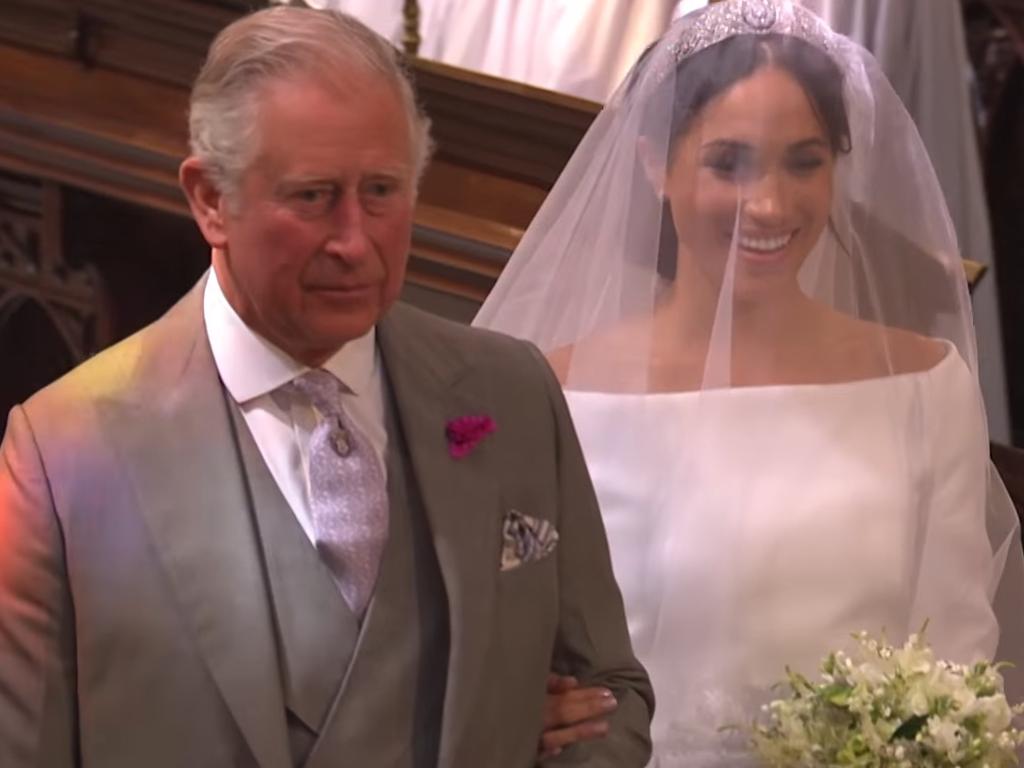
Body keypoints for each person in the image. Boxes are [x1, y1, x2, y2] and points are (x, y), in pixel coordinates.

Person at [0, 7, 654, 767]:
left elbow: (609, 692)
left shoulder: (511, 391)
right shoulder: (64, 454)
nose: (354, 240)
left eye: (382, 191)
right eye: (313, 197)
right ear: (210, 198)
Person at [476, 0, 1024, 764]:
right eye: (728, 162)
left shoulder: (926, 389)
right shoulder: (557, 395)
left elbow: (958, 662)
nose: (769, 203)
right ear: (652, 164)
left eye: (805, 161)